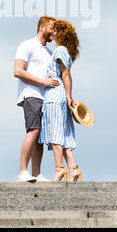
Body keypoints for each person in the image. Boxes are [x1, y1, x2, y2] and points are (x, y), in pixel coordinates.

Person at [14, 15, 59, 182]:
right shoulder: (27, 45)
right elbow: (18, 71)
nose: (54, 32)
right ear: (42, 27)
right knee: (33, 130)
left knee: (39, 135)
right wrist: (42, 82)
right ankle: (22, 172)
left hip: (45, 98)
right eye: (52, 28)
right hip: (31, 94)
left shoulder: (50, 52)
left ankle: (36, 174)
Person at [38, 20, 82, 182]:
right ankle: (73, 168)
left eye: (55, 30)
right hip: (61, 94)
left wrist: (68, 95)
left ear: (60, 33)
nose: (52, 33)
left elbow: (65, 74)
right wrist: (68, 95)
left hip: (55, 95)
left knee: (55, 133)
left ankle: (59, 168)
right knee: (65, 134)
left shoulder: (60, 50)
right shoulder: (64, 51)